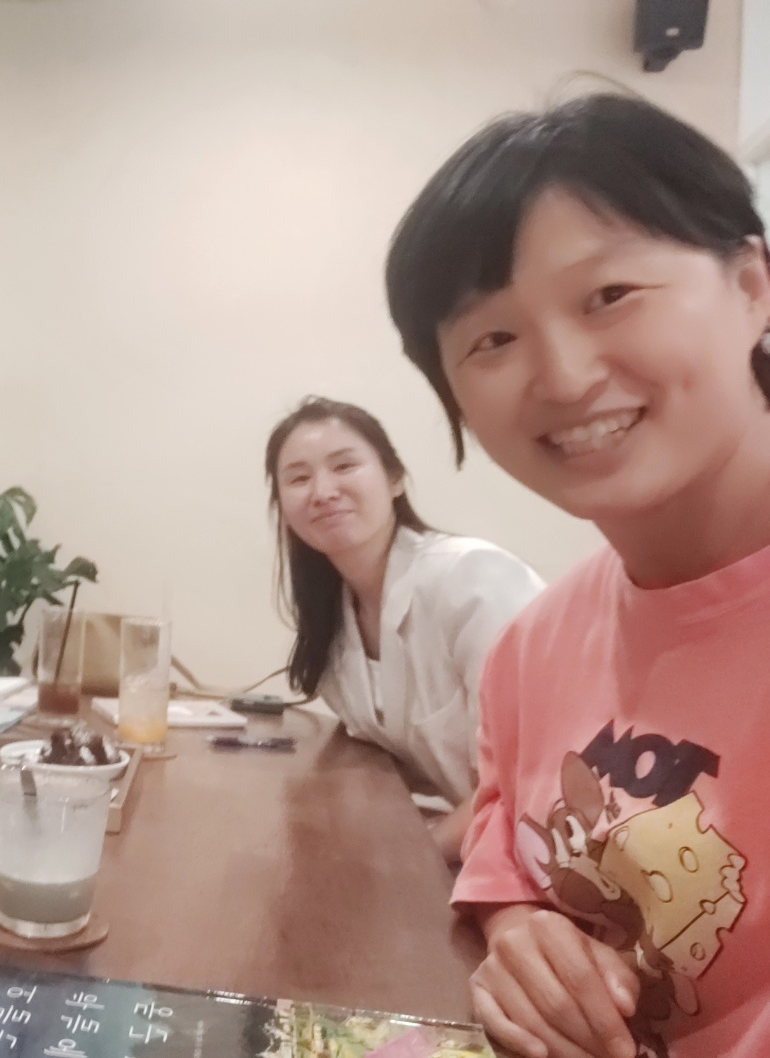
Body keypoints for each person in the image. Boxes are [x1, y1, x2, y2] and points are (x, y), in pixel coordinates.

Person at [386, 93, 770, 1058]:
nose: (562, 377)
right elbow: (500, 836)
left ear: (750, 286)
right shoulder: (534, 644)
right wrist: (519, 933)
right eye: (492, 339)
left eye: (609, 295)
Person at [265, 396, 543, 861]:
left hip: (561, 849)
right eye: (298, 478)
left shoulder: (472, 579)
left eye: (344, 466)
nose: (323, 491)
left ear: (394, 478)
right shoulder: (335, 619)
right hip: (478, 849)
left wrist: (417, 856)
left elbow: (536, 774)